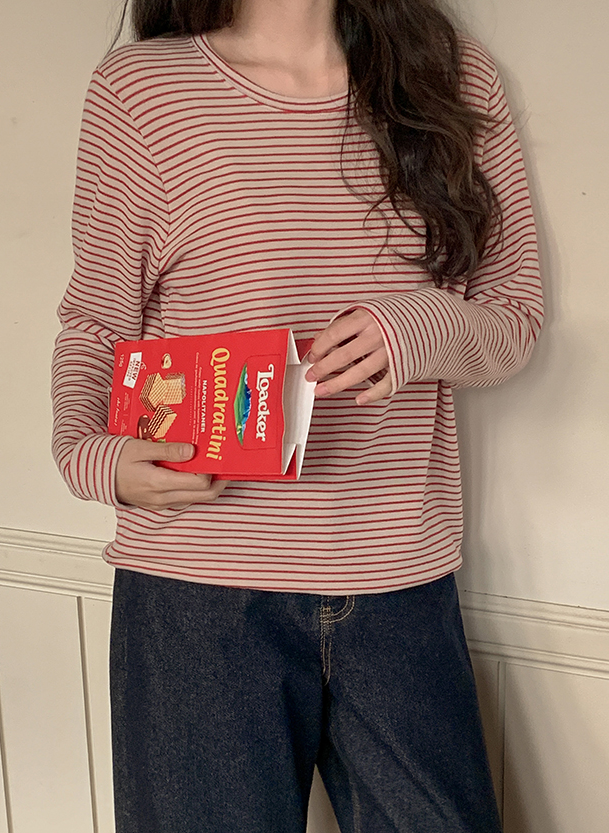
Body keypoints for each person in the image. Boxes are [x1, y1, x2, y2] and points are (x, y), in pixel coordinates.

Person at [51, 0, 543, 830]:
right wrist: (92, 458)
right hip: (196, 593)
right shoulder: (143, 89)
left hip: (400, 582)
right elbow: (96, 322)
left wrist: (417, 326)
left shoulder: (452, 76)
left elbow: (513, 319)